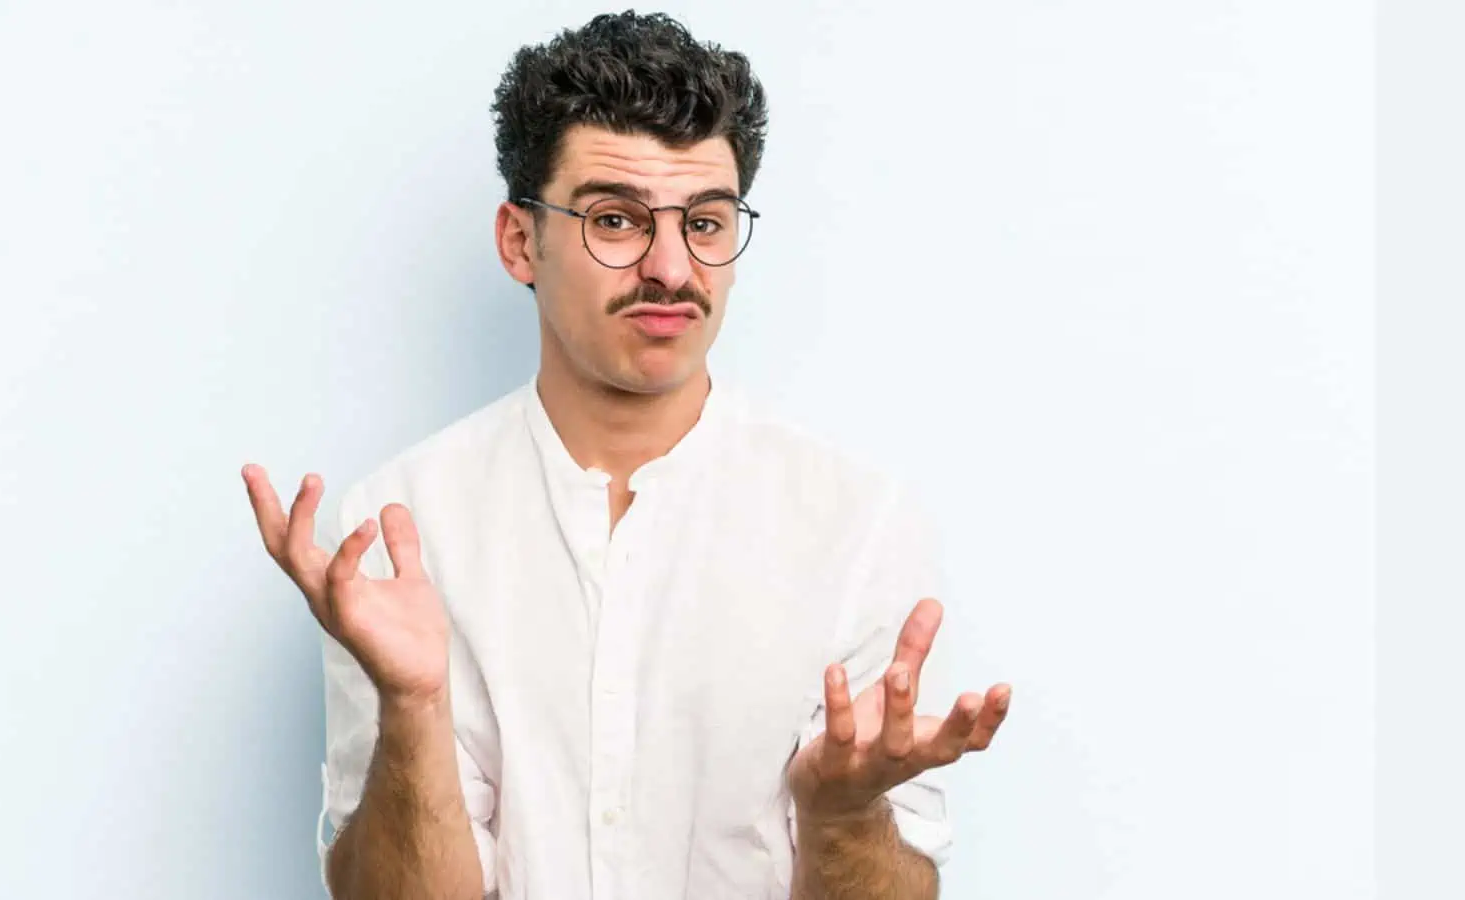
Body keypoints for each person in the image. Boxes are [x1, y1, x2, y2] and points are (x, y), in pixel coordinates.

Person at [242, 11, 1011, 899]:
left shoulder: (859, 526)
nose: (673, 269)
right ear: (520, 240)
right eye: (617, 220)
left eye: (708, 224)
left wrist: (843, 813)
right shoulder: (395, 527)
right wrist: (415, 707)